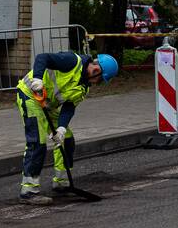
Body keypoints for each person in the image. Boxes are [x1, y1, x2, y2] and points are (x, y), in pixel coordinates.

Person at [16, 51, 119, 204]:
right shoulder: (72, 61)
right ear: (96, 70)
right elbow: (42, 57)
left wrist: (62, 129)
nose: (97, 82)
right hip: (30, 96)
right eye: (99, 79)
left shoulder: (84, 87)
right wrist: (37, 79)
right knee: (38, 143)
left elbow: (69, 107)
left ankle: (61, 183)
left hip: (47, 104)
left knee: (67, 140)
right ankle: (28, 191)